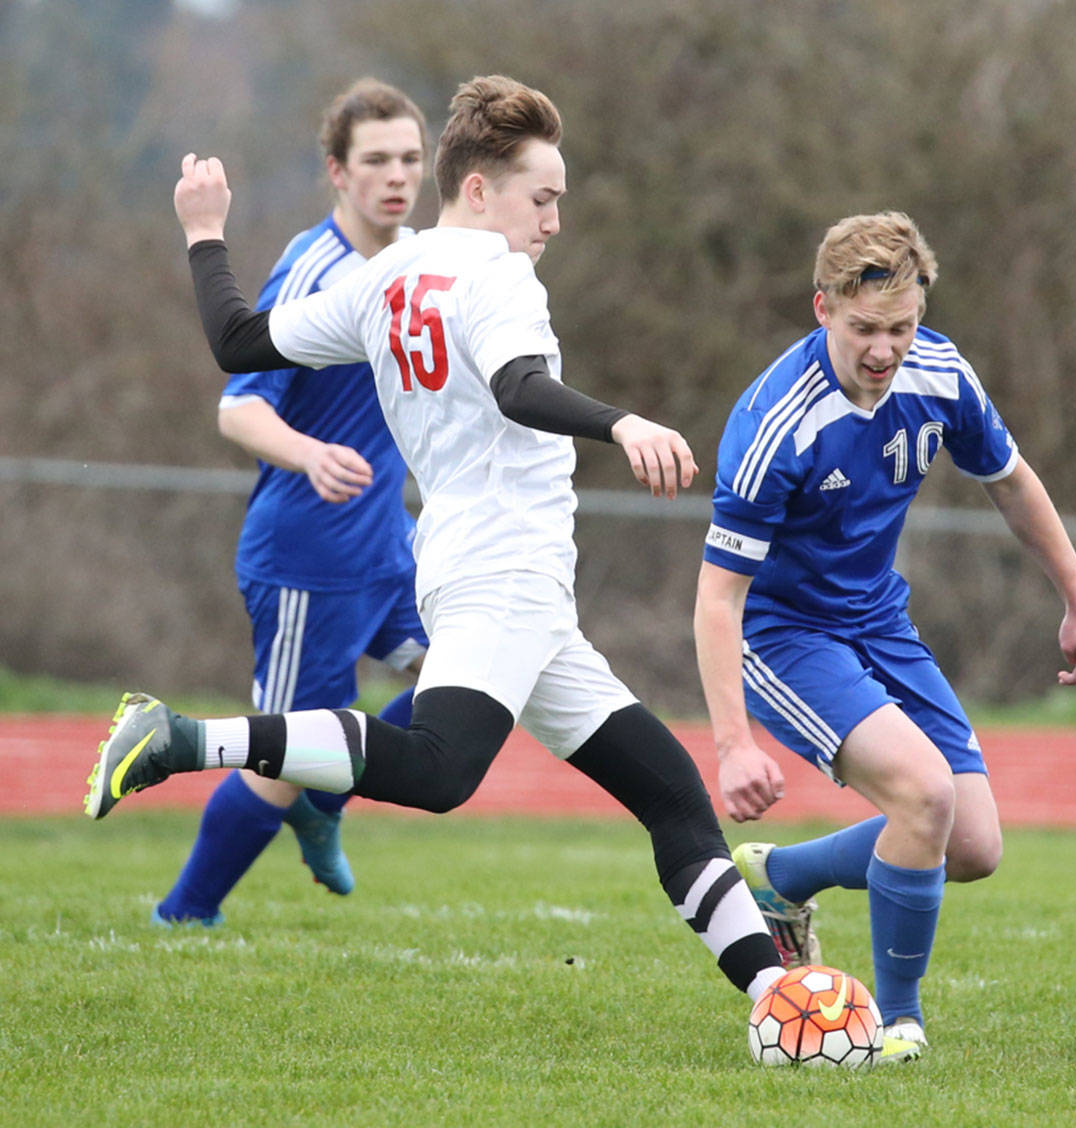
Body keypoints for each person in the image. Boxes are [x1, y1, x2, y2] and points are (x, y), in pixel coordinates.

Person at [85, 75, 824, 1030]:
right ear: (479, 189)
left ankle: (779, 1000)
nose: (553, 221)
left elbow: (236, 341)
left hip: (493, 580)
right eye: (542, 197)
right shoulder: (498, 273)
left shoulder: (384, 274)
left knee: (672, 793)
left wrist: (204, 232)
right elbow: (519, 385)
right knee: (438, 770)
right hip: (501, 569)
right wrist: (622, 420)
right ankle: (186, 739)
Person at [693, 211, 1076, 1059]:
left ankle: (785, 879)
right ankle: (896, 1023)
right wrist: (733, 743)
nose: (884, 350)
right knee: (924, 795)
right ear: (822, 309)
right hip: (784, 633)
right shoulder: (777, 422)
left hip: (878, 617)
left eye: (902, 328)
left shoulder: (940, 373)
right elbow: (717, 598)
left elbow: (1012, 483)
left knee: (975, 846)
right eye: (864, 330)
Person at [151, 79, 432, 928]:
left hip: (390, 540)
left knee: (483, 669)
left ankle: (327, 799)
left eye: (412, 159)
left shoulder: (418, 258)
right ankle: (185, 913)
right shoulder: (314, 270)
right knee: (281, 751)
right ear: (336, 172)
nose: (397, 176)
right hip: (311, 555)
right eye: (376, 160)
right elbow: (239, 406)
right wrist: (310, 454)